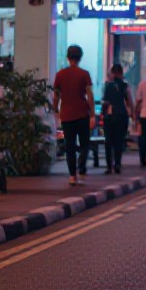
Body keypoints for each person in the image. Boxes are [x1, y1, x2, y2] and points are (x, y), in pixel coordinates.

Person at [52, 45, 93, 186]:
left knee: (69, 146)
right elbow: (89, 95)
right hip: (82, 113)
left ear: (68, 57)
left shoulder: (60, 75)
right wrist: (92, 114)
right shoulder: (84, 74)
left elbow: (56, 95)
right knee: (85, 144)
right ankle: (82, 168)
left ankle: (72, 175)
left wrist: (55, 110)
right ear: (80, 57)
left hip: (67, 115)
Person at [100, 64, 134, 174]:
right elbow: (129, 101)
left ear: (112, 73)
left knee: (109, 141)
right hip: (122, 115)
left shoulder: (108, 85)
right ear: (121, 73)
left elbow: (105, 103)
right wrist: (133, 114)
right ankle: (117, 164)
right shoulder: (125, 85)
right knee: (119, 141)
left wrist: (102, 115)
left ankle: (109, 166)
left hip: (110, 116)